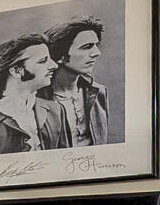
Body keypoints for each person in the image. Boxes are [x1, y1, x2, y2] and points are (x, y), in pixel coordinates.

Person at [46, 17, 117, 146]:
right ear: (60, 55)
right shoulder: (35, 99)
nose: (97, 53)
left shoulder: (99, 92)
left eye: (96, 45)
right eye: (86, 47)